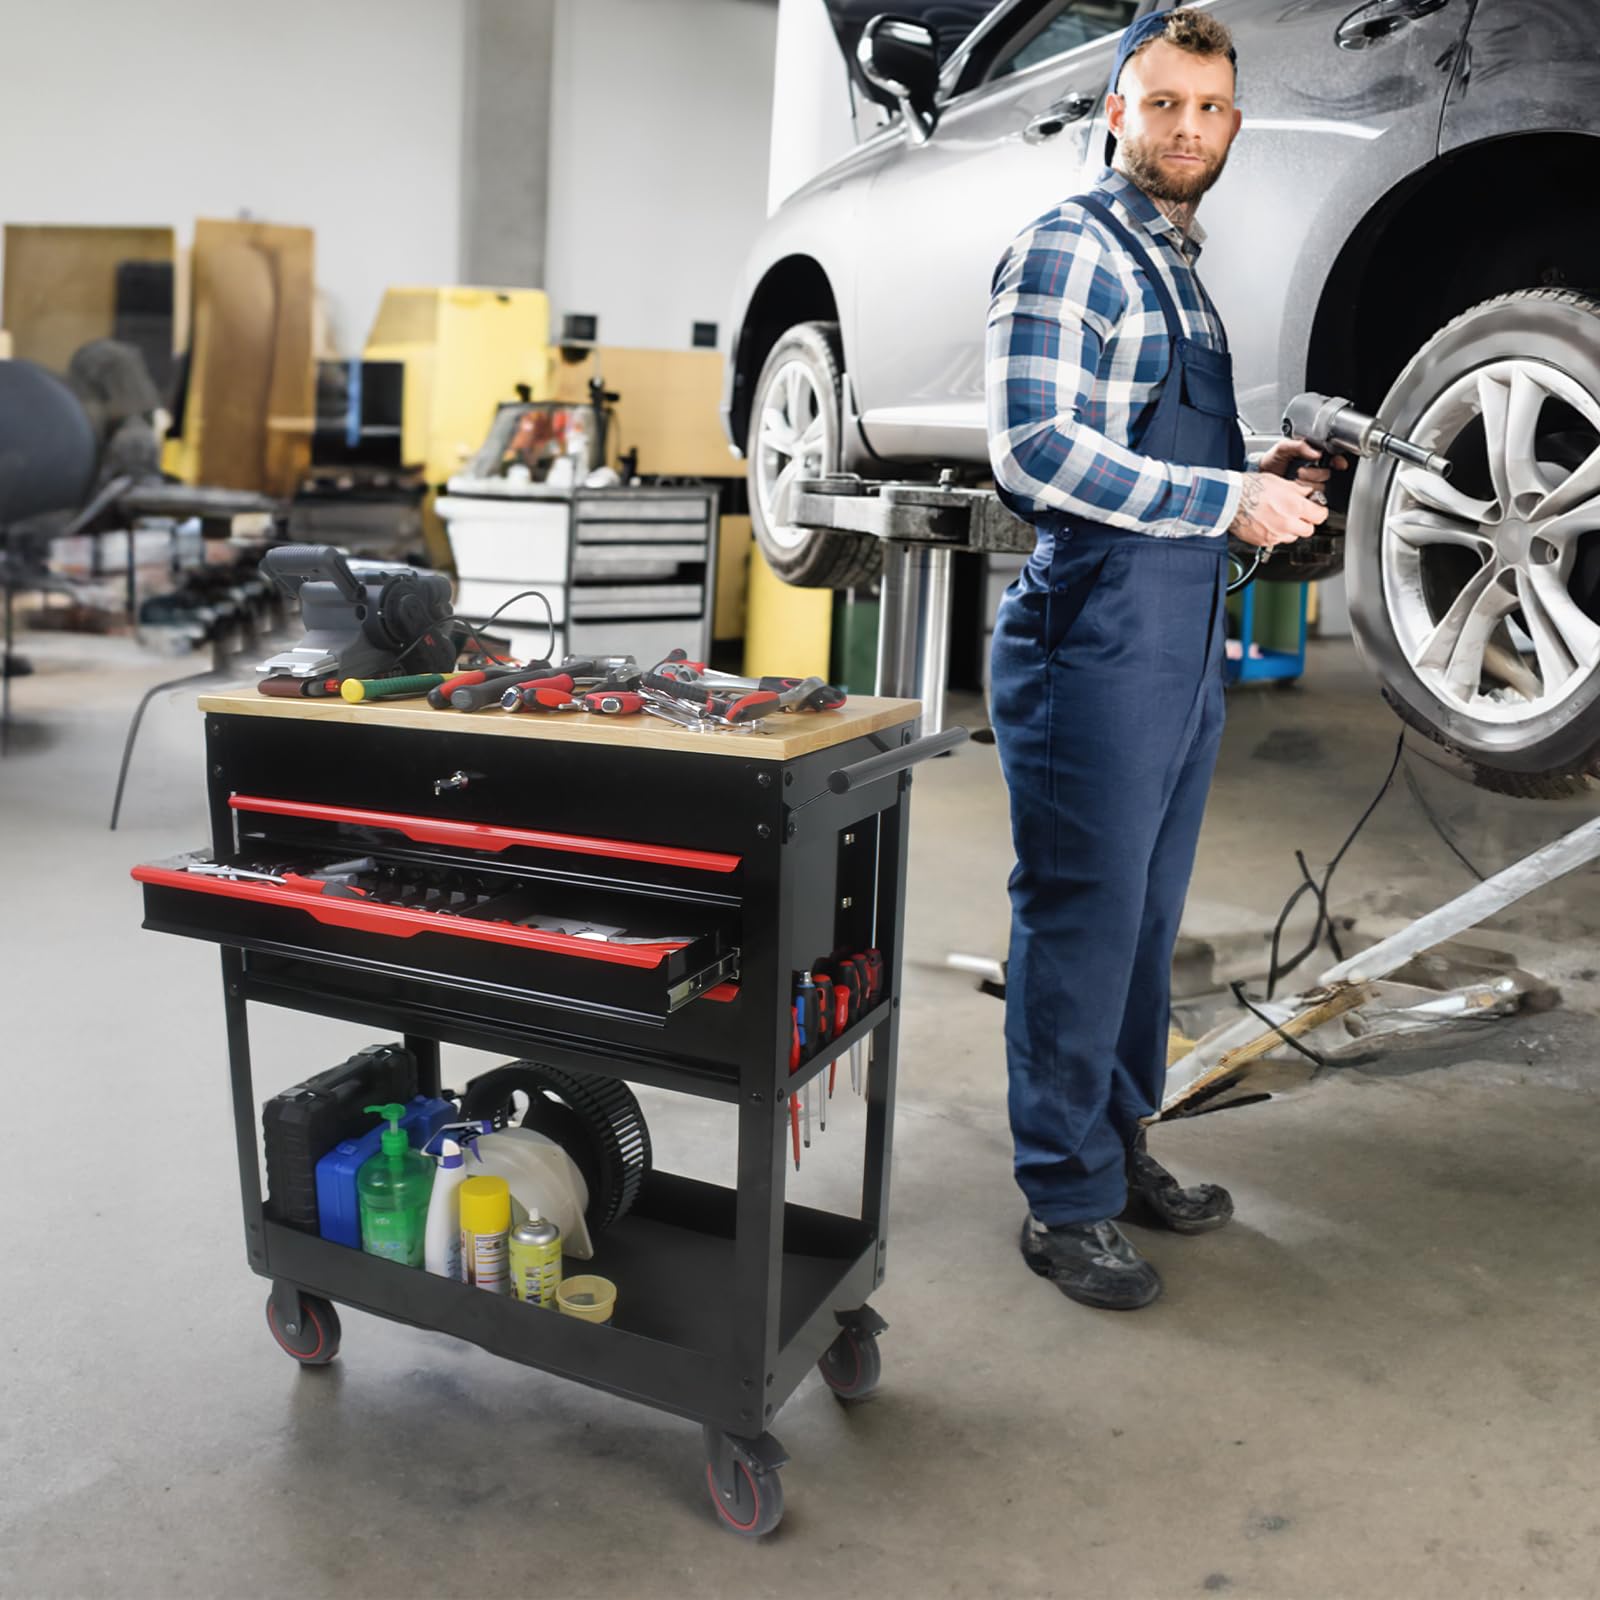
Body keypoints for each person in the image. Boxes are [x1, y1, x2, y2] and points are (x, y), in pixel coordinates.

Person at [985, 7, 1344, 1310]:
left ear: (1232, 124)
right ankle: (1060, 1200)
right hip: (1093, 638)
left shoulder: (1179, 267)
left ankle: (1118, 1143)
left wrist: (1257, 476)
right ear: (1116, 113)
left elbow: (1167, 457)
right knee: (1081, 919)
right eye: (1164, 102)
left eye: (1211, 108)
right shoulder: (1070, 247)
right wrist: (1222, 502)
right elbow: (1034, 451)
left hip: (1181, 637)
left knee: (1145, 920)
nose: (1188, 127)